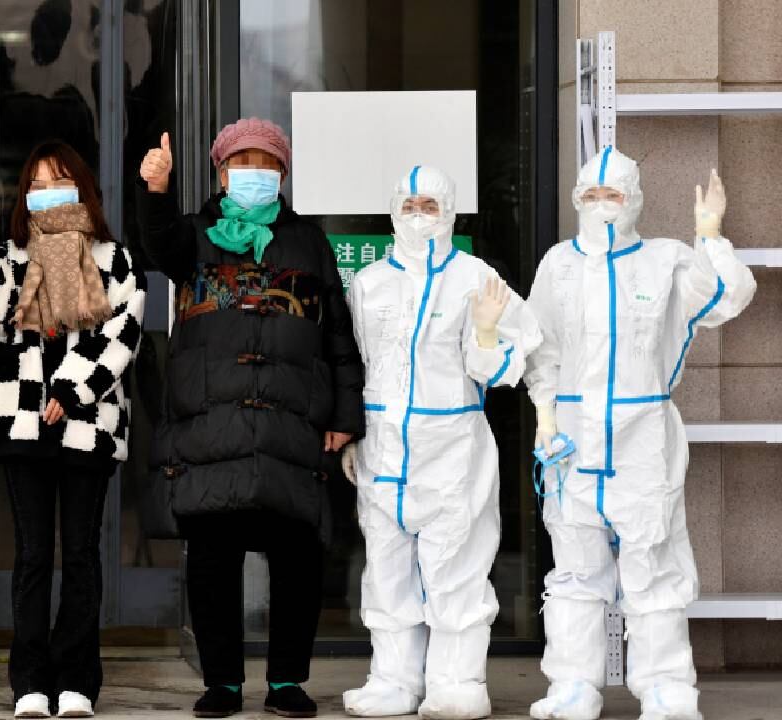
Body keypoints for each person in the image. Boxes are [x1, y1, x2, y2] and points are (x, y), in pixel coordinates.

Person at [137, 120, 364, 719]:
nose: (255, 174)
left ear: (283, 176)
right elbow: (159, 248)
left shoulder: (308, 241)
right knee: (213, 557)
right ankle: (223, 683)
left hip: (293, 421)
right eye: (243, 164)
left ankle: (287, 680)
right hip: (212, 419)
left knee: (297, 556)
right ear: (220, 173)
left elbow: (336, 330)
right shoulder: (196, 235)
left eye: (268, 165)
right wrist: (157, 193)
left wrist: (345, 411)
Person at [524, 147, 756, 720]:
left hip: (642, 433)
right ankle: (573, 685)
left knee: (654, 563)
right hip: (574, 439)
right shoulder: (559, 263)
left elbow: (728, 297)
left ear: (635, 201)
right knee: (576, 568)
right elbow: (542, 348)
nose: (601, 205)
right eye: (591, 195)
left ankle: (666, 688)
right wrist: (545, 418)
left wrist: (709, 235)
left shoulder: (665, 261)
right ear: (578, 199)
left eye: (614, 195)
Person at [339, 166, 543, 719]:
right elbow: (354, 364)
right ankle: (393, 681)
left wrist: (483, 333)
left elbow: (509, 364)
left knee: (456, 566)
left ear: (450, 210)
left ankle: (457, 682)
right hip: (384, 451)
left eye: (430, 205)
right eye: (409, 205)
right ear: (392, 209)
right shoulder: (368, 284)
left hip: (452, 447)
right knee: (385, 569)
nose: (419, 214)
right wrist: (352, 436)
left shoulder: (477, 278)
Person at [0, 141, 147, 719]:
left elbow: (123, 332)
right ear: (25, 196)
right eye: (37, 183)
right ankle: (31, 682)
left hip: (89, 425)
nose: (48, 191)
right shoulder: (14, 255)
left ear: (83, 186)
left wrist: (69, 391)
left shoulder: (113, 257)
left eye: (60, 179)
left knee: (82, 555)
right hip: (21, 422)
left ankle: (77, 683)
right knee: (34, 556)